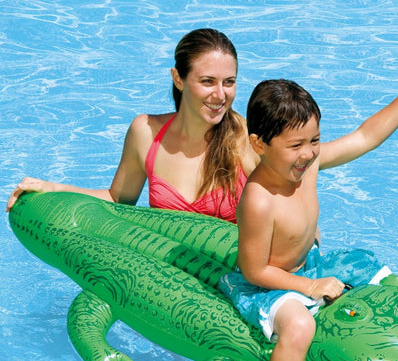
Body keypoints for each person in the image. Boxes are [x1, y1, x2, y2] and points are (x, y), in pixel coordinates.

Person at [219, 64, 398, 361]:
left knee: (373, 269)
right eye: (295, 146)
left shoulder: (308, 163)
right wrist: (308, 288)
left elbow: (365, 137)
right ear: (259, 144)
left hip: (309, 263)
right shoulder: (259, 199)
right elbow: (254, 270)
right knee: (300, 326)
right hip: (269, 285)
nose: (307, 154)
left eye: (315, 140)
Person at [6, 28, 258, 222]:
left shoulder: (246, 138)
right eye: (207, 81)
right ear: (178, 79)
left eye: (229, 82)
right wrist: (52, 188)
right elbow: (117, 200)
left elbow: (281, 208)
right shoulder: (146, 133)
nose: (220, 94)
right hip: (165, 267)